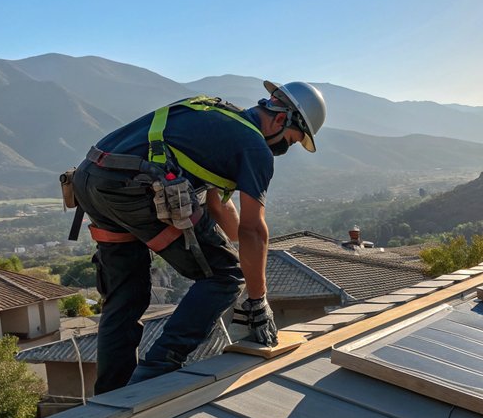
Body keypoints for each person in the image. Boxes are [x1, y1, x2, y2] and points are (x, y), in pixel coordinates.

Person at [70, 81, 326, 394]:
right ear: (281, 119)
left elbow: (219, 206)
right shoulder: (255, 147)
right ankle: (153, 378)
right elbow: (252, 228)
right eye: (290, 141)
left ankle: (112, 395)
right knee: (226, 276)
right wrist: (257, 300)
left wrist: (253, 258)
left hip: (91, 182)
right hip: (133, 189)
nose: (285, 149)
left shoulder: (216, 116)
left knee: (127, 296)